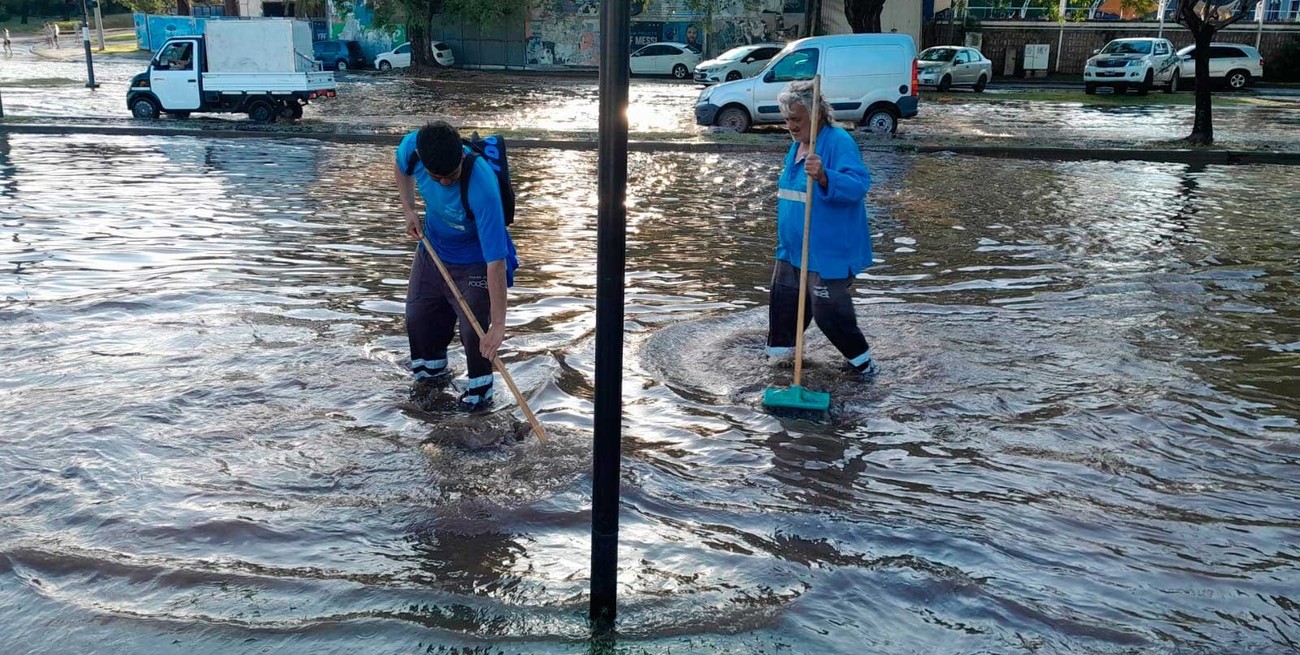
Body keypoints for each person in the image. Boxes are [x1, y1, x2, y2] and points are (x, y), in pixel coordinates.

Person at [396, 121, 519, 412]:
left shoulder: (482, 187)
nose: (446, 183)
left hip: (475, 259)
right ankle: (432, 383)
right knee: (418, 317)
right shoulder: (413, 148)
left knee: (475, 335)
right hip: (433, 248)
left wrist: (499, 326)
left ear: (461, 158)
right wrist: (409, 209)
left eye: (452, 176)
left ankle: (479, 397)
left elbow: (496, 263)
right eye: (438, 178)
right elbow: (400, 168)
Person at [767, 80, 878, 379]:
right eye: (787, 119)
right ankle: (779, 370)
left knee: (831, 316)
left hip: (827, 254)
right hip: (791, 252)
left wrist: (827, 176)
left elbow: (859, 185)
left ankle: (864, 368)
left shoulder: (838, 142)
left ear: (816, 115)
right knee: (783, 310)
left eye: (796, 119)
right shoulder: (796, 147)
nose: (790, 125)